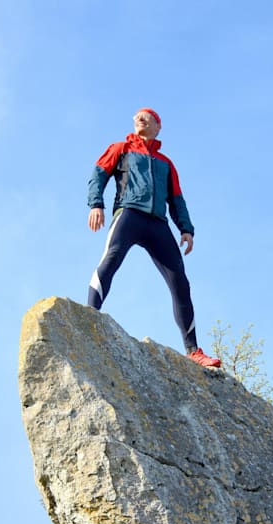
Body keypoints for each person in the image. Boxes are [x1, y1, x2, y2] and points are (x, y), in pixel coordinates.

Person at [86, 107, 222, 368]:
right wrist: (96, 204)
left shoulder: (166, 164)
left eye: (146, 116)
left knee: (180, 281)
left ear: (158, 126)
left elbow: (177, 199)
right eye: (136, 116)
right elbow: (98, 174)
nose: (139, 118)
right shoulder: (121, 148)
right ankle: (89, 317)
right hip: (129, 214)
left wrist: (186, 229)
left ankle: (194, 351)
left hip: (158, 224)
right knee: (111, 259)